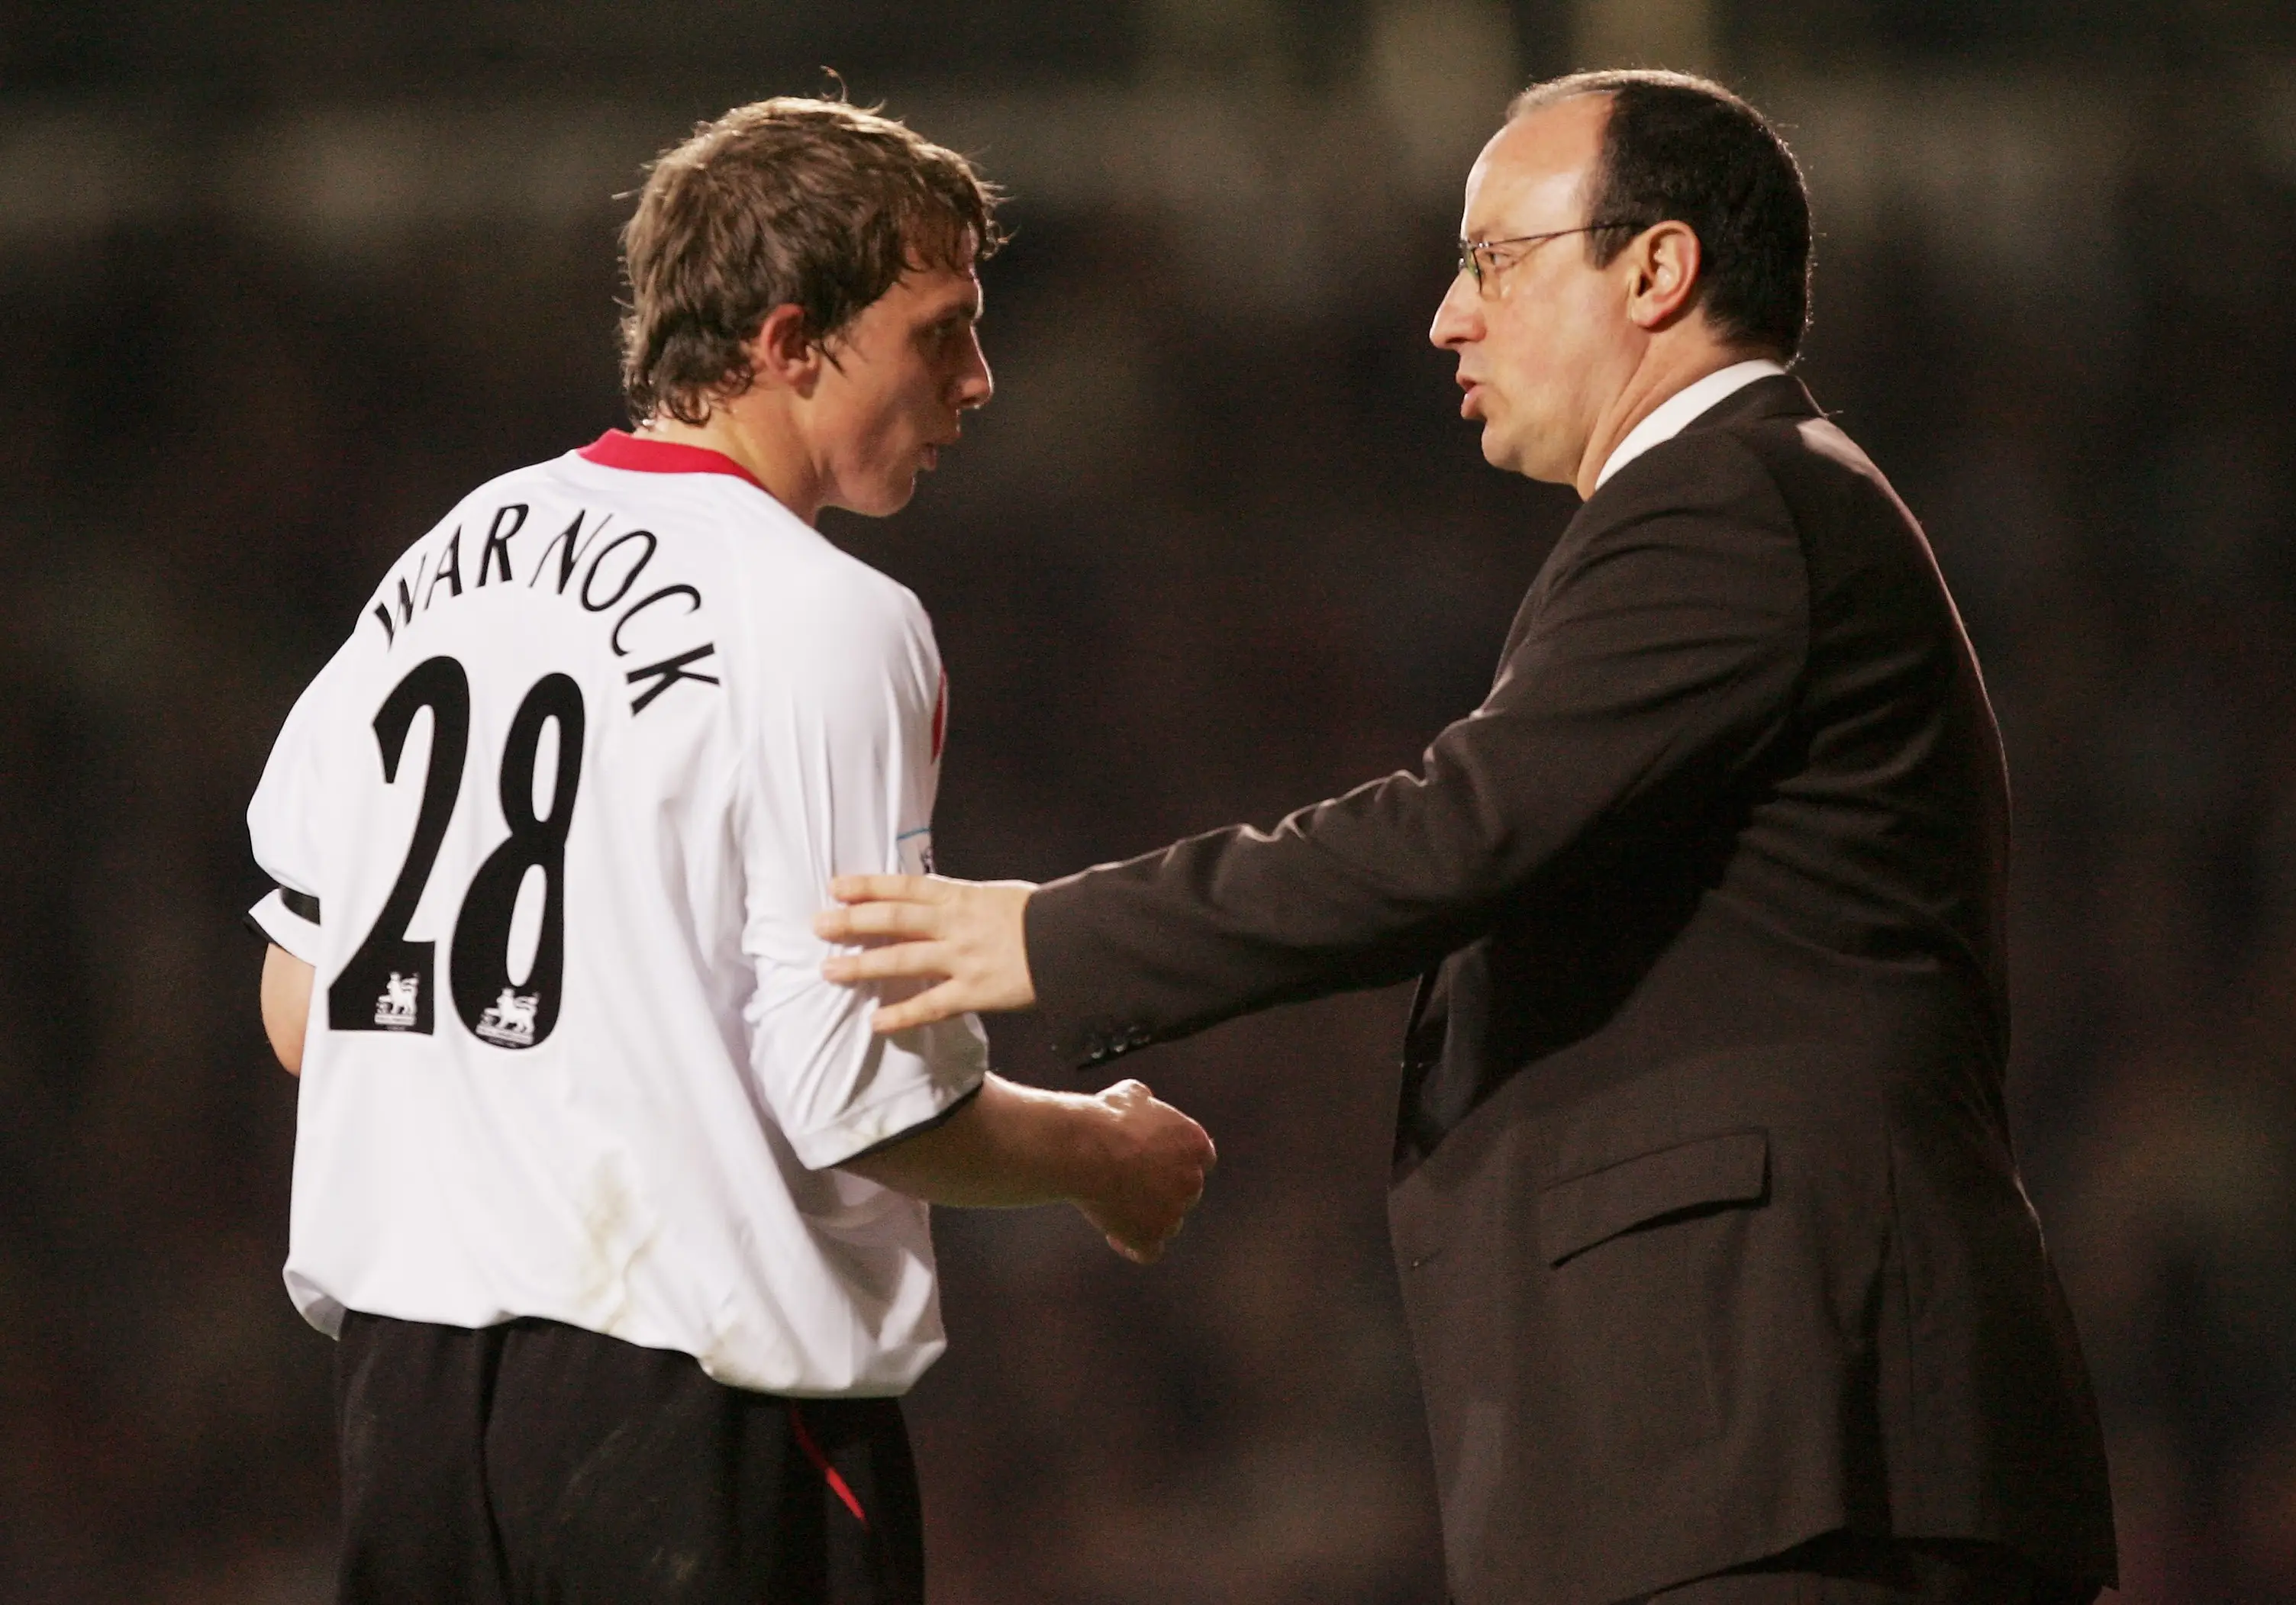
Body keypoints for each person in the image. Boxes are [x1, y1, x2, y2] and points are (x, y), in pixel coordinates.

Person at [812, 71, 2116, 1605]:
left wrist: (1045, 936)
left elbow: (1451, 836)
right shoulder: (1751, 505)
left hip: (1798, 1439)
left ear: (1657, 267)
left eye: (1495, 258)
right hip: (1756, 1441)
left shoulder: (1730, 501)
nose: (1446, 317)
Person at [244, 95, 1214, 1605]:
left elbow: (305, 1007)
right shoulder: (826, 615)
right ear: (789, 341)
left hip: (409, 1406)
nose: (977, 377)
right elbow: (855, 1097)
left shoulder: (444, 558)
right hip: (694, 1412)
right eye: (942, 330)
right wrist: (1102, 1156)